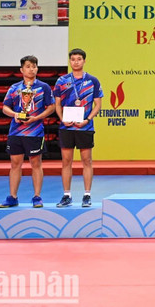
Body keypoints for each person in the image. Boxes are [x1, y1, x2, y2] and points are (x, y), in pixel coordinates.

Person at [0, 55, 55, 208]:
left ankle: (37, 197)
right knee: (15, 164)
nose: (32, 69)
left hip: (35, 132)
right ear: (22, 70)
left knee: (36, 163)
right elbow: (5, 107)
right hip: (16, 132)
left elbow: (52, 107)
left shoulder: (44, 87)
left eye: (34, 66)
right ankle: (13, 197)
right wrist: (15, 114)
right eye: (28, 66)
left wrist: (37, 118)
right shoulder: (14, 88)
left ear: (37, 68)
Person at [53, 48, 103, 208]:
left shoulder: (92, 81)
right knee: (66, 161)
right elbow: (57, 104)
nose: (76, 62)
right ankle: (67, 195)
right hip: (66, 127)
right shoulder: (62, 81)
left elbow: (98, 105)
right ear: (70, 61)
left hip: (85, 127)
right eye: (73, 59)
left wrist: (87, 119)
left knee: (86, 161)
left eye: (79, 59)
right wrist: (62, 120)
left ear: (84, 61)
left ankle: (87, 195)